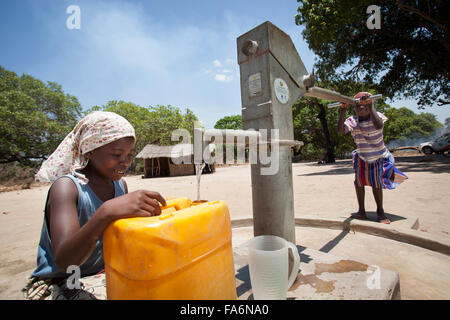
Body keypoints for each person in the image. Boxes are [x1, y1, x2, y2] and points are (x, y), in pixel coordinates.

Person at [22, 111, 166, 299]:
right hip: (60, 279)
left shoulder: (120, 186)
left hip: (102, 271)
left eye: (130, 154)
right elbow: (66, 262)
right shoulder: (67, 188)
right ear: (90, 150)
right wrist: (106, 212)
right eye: (117, 154)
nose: (125, 161)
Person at [337, 92, 408, 224]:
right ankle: (361, 211)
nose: (361, 108)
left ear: (370, 106)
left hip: (378, 157)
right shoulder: (352, 120)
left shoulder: (377, 116)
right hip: (362, 156)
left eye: (365, 106)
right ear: (354, 108)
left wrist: (372, 104)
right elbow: (341, 131)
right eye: (358, 106)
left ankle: (380, 212)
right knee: (359, 183)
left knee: (376, 184)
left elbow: (379, 125)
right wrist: (342, 110)